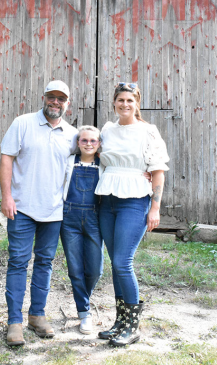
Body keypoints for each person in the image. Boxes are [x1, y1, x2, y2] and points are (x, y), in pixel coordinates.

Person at [0, 80, 78, 346]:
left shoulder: (72, 134)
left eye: (61, 99)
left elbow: (93, 157)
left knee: (45, 263)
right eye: (51, 97)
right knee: (18, 262)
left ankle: (37, 315)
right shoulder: (23, 123)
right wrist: (7, 197)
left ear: (68, 103)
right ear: (43, 97)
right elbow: (6, 158)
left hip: (54, 211)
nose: (56, 102)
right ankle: (14, 322)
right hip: (21, 208)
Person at [95, 82, 169, 347]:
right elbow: (96, 155)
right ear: (113, 102)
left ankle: (133, 327)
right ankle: (120, 322)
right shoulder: (107, 129)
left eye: (130, 100)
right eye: (120, 100)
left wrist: (155, 208)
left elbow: (158, 170)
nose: (125, 104)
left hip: (135, 202)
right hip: (107, 201)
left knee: (123, 263)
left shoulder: (148, 131)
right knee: (115, 262)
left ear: (137, 103)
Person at [60, 125, 103, 335]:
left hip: (95, 218)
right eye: (84, 140)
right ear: (78, 143)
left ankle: (82, 299)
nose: (88, 144)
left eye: (93, 141)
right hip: (69, 218)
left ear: (99, 144)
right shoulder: (69, 161)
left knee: (95, 270)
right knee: (75, 268)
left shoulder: (104, 165)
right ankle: (84, 312)